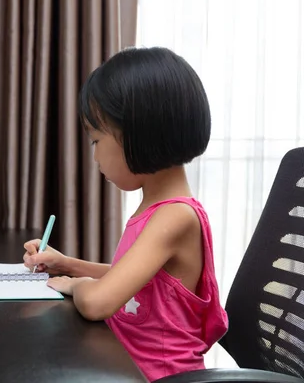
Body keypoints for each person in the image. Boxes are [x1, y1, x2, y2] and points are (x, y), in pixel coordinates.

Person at [22, 47, 229, 382]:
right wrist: (67, 264)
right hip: (126, 365)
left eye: (96, 141)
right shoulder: (159, 206)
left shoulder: (174, 216)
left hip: (157, 376)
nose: (95, 157)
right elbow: (141, 287)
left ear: (137, 134)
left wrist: (78, 285)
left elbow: (99, 303)